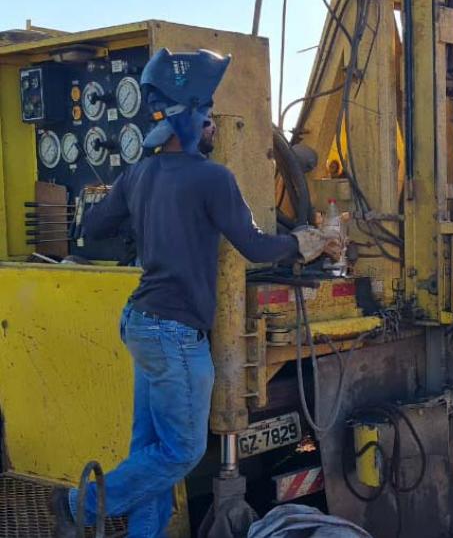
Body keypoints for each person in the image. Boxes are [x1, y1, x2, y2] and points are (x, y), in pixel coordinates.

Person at [47, 48, 338, 538]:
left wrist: (145, 230)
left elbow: (93, 227)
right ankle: (78, 504)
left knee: (150, 453)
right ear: (185, 121)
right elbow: (254, 246)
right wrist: (305, 243)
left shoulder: (137, 174)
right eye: (206, 118)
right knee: (181, 452)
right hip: (175, 333)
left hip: (139, 322)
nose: (213, 127)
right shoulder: (212, 177)